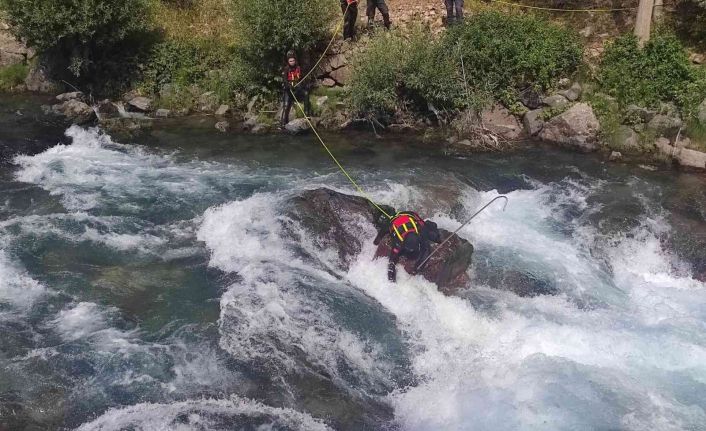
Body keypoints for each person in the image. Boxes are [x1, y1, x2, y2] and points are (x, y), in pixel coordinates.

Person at [374, 211, 442, 282]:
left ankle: (431, 227)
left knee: (431, 234)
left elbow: (426, 250)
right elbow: (392, 261)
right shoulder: (398, 240)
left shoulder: (420, 233)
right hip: (397, 220)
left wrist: (417, 268)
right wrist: (376, 241)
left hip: (411, 215)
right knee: (386, 231)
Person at [280, 51, 311, 128]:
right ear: (288, 62)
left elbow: (302, 78)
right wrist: (289, 86)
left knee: (306, 93)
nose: (292, 62)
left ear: (295, 60)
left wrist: (303, 85)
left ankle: (306, 115)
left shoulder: (299, 68)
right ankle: (283, 123)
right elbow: (284, 81)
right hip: (289, 91)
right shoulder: (286, 69)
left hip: (297, 89)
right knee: (286, 105)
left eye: (293, 60)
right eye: (290, 61)